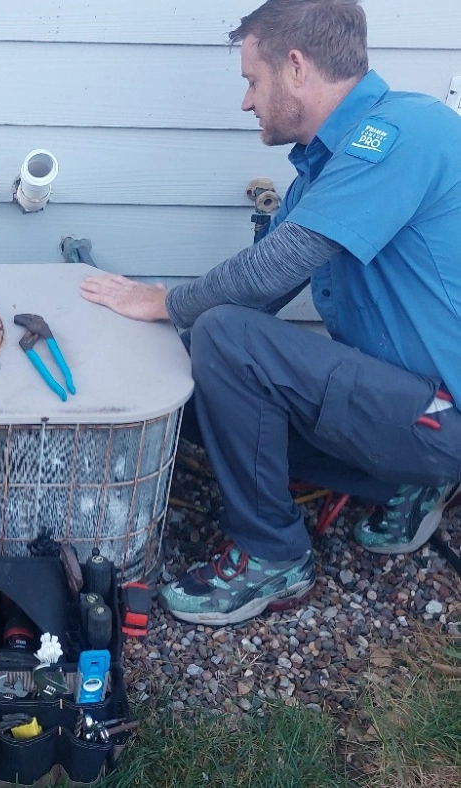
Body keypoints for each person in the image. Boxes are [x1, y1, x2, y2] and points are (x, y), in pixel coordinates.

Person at [80, 0, 461, 626]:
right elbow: (259, 294)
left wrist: (165, 301)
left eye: (251, 81)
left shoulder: (395, 137)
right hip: (401, 405)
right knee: (194, 388)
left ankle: (272, 555)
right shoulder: (322, 171)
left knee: (224, 336)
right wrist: (134, 343)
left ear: (296, 67)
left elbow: (271, 271)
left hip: (439, 415)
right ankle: (403, 483)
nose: (246, 101)